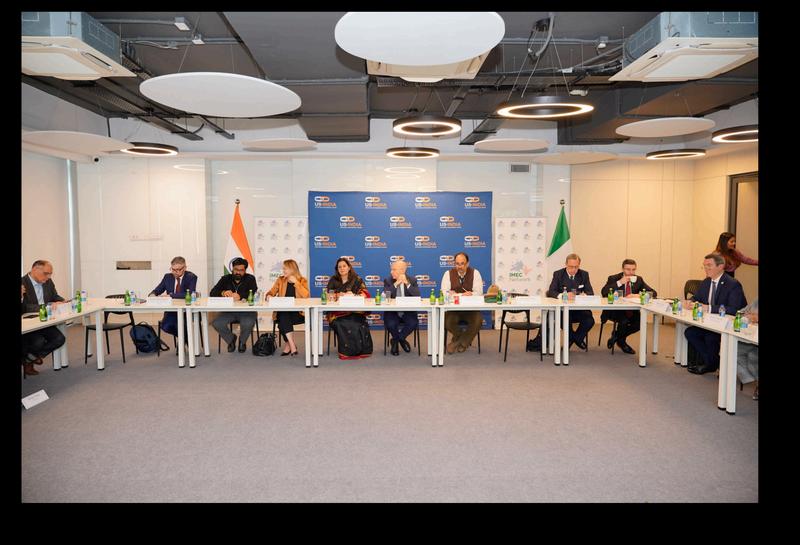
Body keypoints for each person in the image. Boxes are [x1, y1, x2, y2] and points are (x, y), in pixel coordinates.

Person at [684, 253, 748, 375]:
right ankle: (714, 362)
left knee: (710, 337)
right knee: (690, 333)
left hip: (727, 324)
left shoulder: (732, 284)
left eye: (709, 265)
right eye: (704, 266)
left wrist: (709, 308)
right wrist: (690, 301)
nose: (706, 268)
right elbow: (697, 297)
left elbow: (735, 309)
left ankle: (711, 364)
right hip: (710, 322)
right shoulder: (706, 282)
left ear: (720, 266)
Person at [599, 259, 657, 354]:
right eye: (628, 269)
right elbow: (604, 292)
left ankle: (616, 336)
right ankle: (622, 342)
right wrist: (619, 283)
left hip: (631, 310)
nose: (631, 272)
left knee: (640, 323)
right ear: (623, 269)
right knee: (624, 321)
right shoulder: (613, 278)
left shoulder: (638, 279)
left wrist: (638, 295)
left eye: (633, 270)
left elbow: (653, 293)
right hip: (615, 310)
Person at [20, 260, 67, 376]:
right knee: (38, 341)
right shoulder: (22, 283)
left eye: (50, 274)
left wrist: (63, 302)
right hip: (30, 323)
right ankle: (29, 360)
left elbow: (55, 296)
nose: (48, 277)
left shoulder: (48, 281)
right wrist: (47, 306)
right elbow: (25, 307)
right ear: (35, 270)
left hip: (45, 321)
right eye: (46, 273)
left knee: (59, 339)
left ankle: (30, 358)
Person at [209, 257, 259, 353]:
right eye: (236, 269)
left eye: (241, 270)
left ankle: (242, 341)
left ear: (245, 270)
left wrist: (240, 296)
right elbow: (212, 292)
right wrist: (223, 293)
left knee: (248, 323)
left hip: (246, 311)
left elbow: (253, 292)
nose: (238, 272)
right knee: (217, 323)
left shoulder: (250, 279)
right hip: (229, 311)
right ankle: (231, 339)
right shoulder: (225, 279)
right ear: (232, 269)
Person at [326, 257, 372, 360]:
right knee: (346, 324)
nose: (342, 268)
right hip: (337, 313)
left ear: (349, 267)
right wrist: (338, 295)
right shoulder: (333, 280)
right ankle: (348, 352)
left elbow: (366, 294)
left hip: (354, 311)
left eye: (344, 266)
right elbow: (328, 295)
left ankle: (362, 351)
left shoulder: (357, 279)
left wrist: (353, 295)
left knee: (358, 322)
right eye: (339, 267)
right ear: (337, 269)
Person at [546, 253, 595, 350]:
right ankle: (576, 339)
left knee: (589, 320)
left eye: (576, 267)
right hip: (563, 310)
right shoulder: (558, 274)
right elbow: (551, 291)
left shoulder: (584, 274)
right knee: (564, 320)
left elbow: (590, 292)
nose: (573, 269)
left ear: (579, 265)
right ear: (566, 264)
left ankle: (574, 339)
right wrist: (564, 295)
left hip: (579, 309)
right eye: (571, 267)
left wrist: (584, 295)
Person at [440, 252, 484, 355]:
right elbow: (444, 293)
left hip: (470, 309)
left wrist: (469, 294)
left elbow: (479, 293)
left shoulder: (475, 273)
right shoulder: (448, 274)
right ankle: (463, 341)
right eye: (457, 264)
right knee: (447, 321)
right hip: (454, 310)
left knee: (478, 320)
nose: (460, 266)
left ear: (467, 263)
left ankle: (459, 343)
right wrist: (458, 294)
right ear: (454, 264)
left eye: (462, 263)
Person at [266, 259, 310, 356]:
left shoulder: (302, 280)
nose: (283, 270)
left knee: (282, 321)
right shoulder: (280, 280)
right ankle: (292, 345)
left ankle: (289, 345)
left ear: (292, 269)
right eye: (283, 268)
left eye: (285, 268)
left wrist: (296, 283)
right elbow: (272, 291)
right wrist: (269, 295)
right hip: (284, 312)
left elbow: (306, 296)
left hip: (298, 313)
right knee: (283, 314)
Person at [148, 256, 198, 340]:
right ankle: (185, 340)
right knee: (166, 326)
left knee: (180, 324)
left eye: (178, 270)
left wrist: (171, 295)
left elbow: (189, 294)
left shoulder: (191, 277)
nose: (175, 272)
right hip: (171, 309)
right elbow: (158, 290)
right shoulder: (167, 277)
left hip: (186, 310)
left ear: (185, 268)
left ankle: (183, 342)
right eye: (173, 269)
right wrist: (152, 295)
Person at [382, 259, 420, 356]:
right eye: (391, 269)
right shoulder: (388, 280)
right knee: (390, 324)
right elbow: (384, 296)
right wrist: (395, 284)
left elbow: (417, 295)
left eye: (394, 269)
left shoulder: (412, 280)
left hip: (408, 311)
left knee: (413, 323)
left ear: (403, 270)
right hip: (392, 311)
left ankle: (398, 339)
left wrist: (407, 283)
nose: (391, 272)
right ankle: (398, 340)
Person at [736, 298, 758, 400]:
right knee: (734, 350)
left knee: (753, 355)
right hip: (752, 337)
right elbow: (740, 312)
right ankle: (750, 378)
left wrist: (756, 317)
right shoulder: (756, 301)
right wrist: (748, 315)